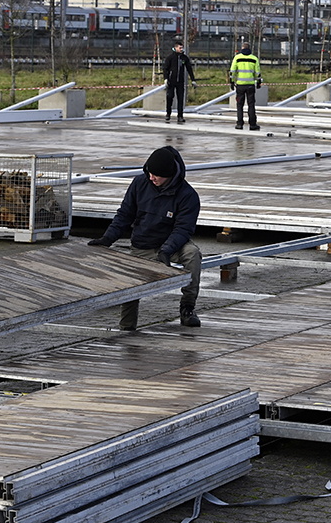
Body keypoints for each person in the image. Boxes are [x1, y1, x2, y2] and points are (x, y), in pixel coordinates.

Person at [88, 146, 202, 330]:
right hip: (143, 245)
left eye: (156, 175)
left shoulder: (188, 196)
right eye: (149, 173)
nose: (151, 178)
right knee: (130, 283)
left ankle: (187, 308)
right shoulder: (139, 184)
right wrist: (107, 239)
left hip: (172, 247)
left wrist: (167, 249)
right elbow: (125, 215)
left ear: (170, 175)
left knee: (193, 253)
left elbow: (183, 229)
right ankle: (127, 326)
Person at [229, 43, 262, 130]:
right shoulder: (254, 58)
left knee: (240, 105)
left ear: (242, 48)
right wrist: (258, 83)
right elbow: (258, 73)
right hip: (250, 85)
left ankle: (239, 124)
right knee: (251, 105)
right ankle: (252, 124)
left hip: (240, 85)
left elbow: (232, 71)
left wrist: (232, 82)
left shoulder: (237, 58)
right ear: (250, 48)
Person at [162, 42, 197, 124]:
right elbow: (165, 69)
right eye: (180, 48)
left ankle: (180, 116)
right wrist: (166, 79)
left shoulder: (184, 58)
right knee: (170, 97)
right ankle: (168, 113)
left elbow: (189, 69)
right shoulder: (170, 57)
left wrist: (193, 80)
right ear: (176, 48)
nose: (182, 49)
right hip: (171, 81)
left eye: (182, 48)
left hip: (180, 82)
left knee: (180, 99)